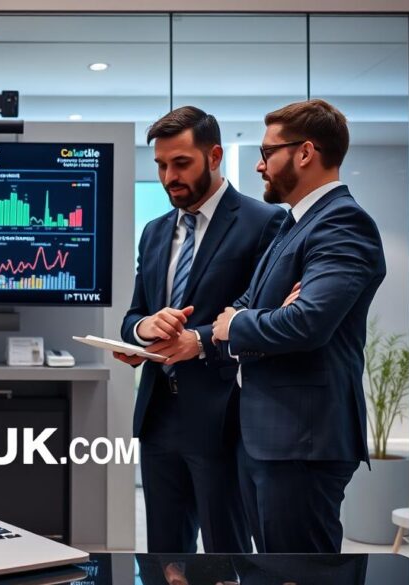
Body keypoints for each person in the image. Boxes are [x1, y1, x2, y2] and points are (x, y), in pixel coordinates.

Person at [212, 98, 386, 554]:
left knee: (299, 574)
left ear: (305, 152)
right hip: (270, 439)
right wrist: (228, 326)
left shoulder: (343, 223)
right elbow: (252, 307)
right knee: (270, 570)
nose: (258, 164)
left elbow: (306, 322)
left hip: (303, 444)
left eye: (268, 152)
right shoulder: (293, 224)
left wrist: (245, 323)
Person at [116, 106, 285, 553]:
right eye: (161, 165)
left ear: (214, 156)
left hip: (225, 418)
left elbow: (262, 317)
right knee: (164, 559)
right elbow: (134, 316)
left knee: (225, 559)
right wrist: (144, 330)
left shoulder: (264, 222)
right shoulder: (154, 232)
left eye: (181, 163)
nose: (169, 175)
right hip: (158, 418)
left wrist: (200, 340)